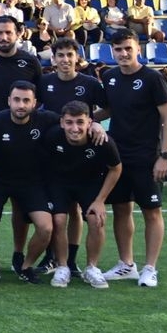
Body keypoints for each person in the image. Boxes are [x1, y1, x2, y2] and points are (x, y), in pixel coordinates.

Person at [99, 30, 167, 288]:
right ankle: (126, 265)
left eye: (128, 49)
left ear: (138, 49)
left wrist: (164, 156)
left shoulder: (153, 78)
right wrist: (85, 120)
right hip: (118, 158)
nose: (123, 54)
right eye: (118, 49)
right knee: (121, 209)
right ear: (113, 51)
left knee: (152, 212)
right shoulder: (109, 78)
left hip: (147, 157)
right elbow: (109, 109)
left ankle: (150, 268)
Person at [0, 81, 58, 284]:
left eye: (26, 100)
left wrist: (95, 125)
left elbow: (72, 122)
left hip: (32, 182)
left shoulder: (47, 119)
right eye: (17, 100)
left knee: (46, 228)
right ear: (9, 101)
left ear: (34, 103)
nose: (21, 105)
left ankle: (26, 266)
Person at [46, 101, 123, 289]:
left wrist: (100, 200)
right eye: (70, 122)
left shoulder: (101, 140)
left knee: (96, 219)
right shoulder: (52, 137)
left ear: (89, 122)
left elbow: (116, 169)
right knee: (58, 220)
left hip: (89, 183)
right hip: (60, 183)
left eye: (80, 122)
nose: (75, 128)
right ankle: (62, 266)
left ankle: (92, 268)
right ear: (62, 122)